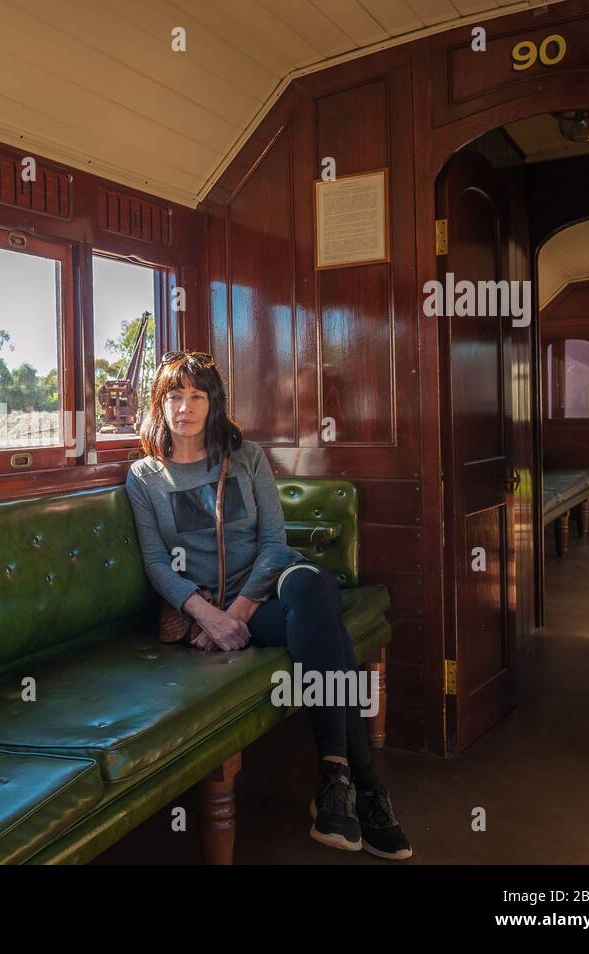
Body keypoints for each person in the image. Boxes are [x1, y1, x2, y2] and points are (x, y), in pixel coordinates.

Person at [124, 350, 412, 860]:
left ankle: (335, 775)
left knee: (310, 588)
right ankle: (360, 785)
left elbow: (275, 542)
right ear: (159, 404)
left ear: (214, 404)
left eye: (198, 395)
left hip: (269, 593)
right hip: (209, 611)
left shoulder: (247, 457)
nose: (185, 407)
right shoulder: (145, 477)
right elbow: (156, 564)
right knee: (330, 635)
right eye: (175, 396)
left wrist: (236, 614)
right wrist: (207, 615)